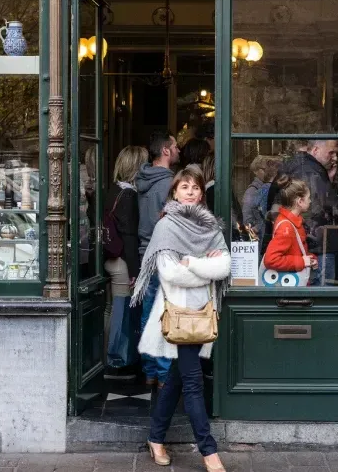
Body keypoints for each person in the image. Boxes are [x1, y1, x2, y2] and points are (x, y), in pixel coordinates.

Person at [133, 165, 230, 472]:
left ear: (202, 193)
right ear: (174, 191)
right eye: (184, 186)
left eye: (196, 187)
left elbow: (224, 267)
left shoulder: (211, 228)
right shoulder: (166, 226)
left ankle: (156, 437)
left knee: (176, 377)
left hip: (202, 314)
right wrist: (202, 265)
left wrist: (190, 262)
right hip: (177, 314)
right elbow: (170, 274)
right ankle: (209, 450)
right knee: (192, 382)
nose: (190, 191)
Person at [135, 131, 180, 387]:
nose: (178, 151)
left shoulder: (142, 180)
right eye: (175, 147)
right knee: (165, 314)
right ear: (165, 150)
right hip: (164, 254)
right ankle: (163, 375)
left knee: (148, 313)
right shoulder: (169, 184)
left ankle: (150, 370)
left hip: (145, 254)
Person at [264, 140, 338, 285]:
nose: (335, 157)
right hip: (317, 249)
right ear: (316, 150)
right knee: (321, 301)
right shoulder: (309, 172)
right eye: (331, 152)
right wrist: (305, 258)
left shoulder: (298, 166)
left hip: (309, 252)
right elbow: (318, 213)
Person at [104, 145, 148, 375]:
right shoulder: (129, 196)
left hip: (111, 258)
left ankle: (108, 356)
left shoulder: (113, 190)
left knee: (111, 310)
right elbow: (130, 236)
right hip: (123, 262)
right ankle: (117, 360)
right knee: (121, 312)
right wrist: (134, 270)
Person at [262, 176, 318, 281]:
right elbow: (271, 260)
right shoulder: (286, 227)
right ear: (300, 201)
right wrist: (302, 261)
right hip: (290, 284)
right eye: (308, 198)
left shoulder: (291, 222)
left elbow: (293, 252)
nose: (310, 201)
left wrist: (310, 259)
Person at [242, 155, 280, 240]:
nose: (268, 172)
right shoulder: (252, 190)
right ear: (256, 171)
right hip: (260, 238)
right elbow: (247, 219)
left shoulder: (272, 187)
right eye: (265, 169)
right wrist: (259, 227)